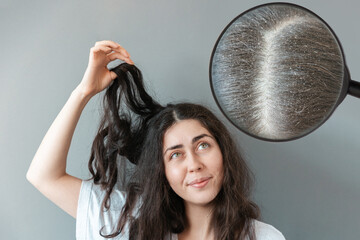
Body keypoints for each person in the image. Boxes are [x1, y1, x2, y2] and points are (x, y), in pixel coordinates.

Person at [27, 40, 286, 240]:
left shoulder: (263, 237)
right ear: (162, 170)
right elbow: (44, 176)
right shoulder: (130, 224)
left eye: (203, 145)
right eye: (175, 154)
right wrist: (83, 92)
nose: (194, 164)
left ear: (224, 152)